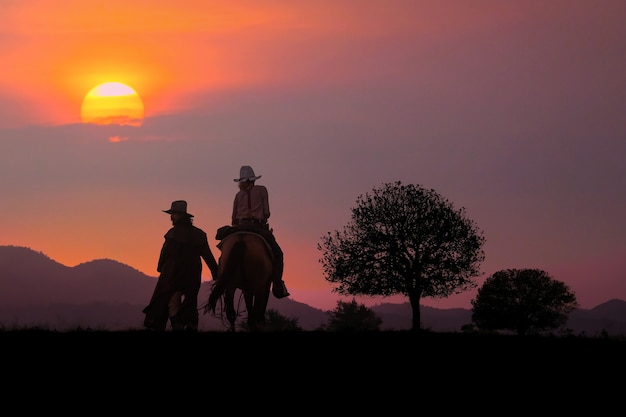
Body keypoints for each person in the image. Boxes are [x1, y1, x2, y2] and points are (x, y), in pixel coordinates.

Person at [143, 200, 219, 331]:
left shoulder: (172, 234)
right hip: (193, 273)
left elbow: (164, 253)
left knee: (170, 299)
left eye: (173, 214)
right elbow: (207, 255)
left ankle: (176, 325)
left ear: (181, 216)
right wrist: (215, 271)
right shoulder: (199, 234)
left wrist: (161, 268)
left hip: (173, 273)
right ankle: (189, 324)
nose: (171, 217)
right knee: (190, 301)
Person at [227, 165, 290, 299]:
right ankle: (277, 284)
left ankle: (222, 275)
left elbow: (233, 218)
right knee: (278, 254)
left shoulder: (238, 195)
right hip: (258, 227)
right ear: (253, 180)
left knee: (224, 248)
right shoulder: (262, 190)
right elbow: (267, 213)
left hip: (241, 227)